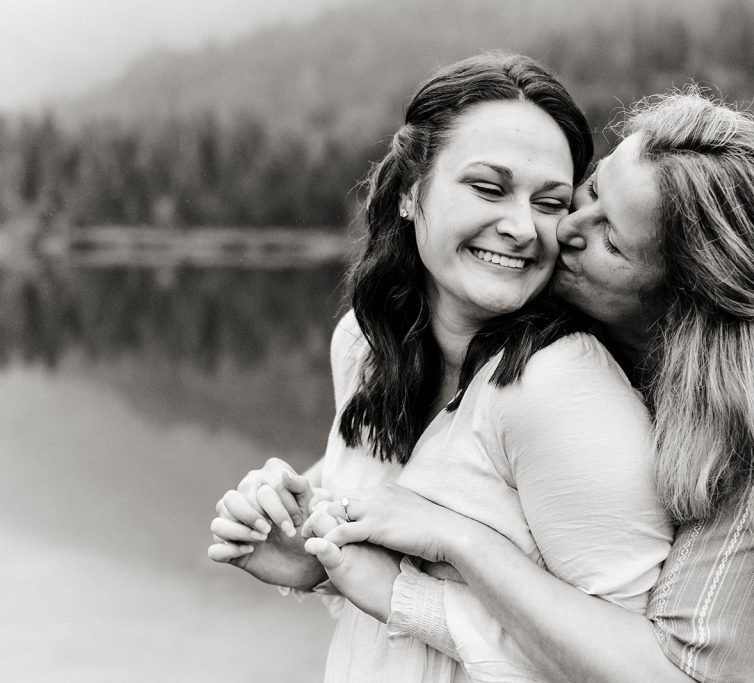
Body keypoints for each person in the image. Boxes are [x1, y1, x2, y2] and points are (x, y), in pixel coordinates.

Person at [293, 90, 754, 682]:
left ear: (684, 305)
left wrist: (456, 543)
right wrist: (310, 537)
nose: (563, 229)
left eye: (610, 239)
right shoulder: (425, 346)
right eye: (589, 192)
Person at [207, 53, 673, 682]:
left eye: (550, 201)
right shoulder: (365, 346)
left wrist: (404, 594)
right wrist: (303, 545)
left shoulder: (557, 386)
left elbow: (651, 670)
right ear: (409, 191)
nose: (521, 228)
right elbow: (365, 519)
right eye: (488, 187)